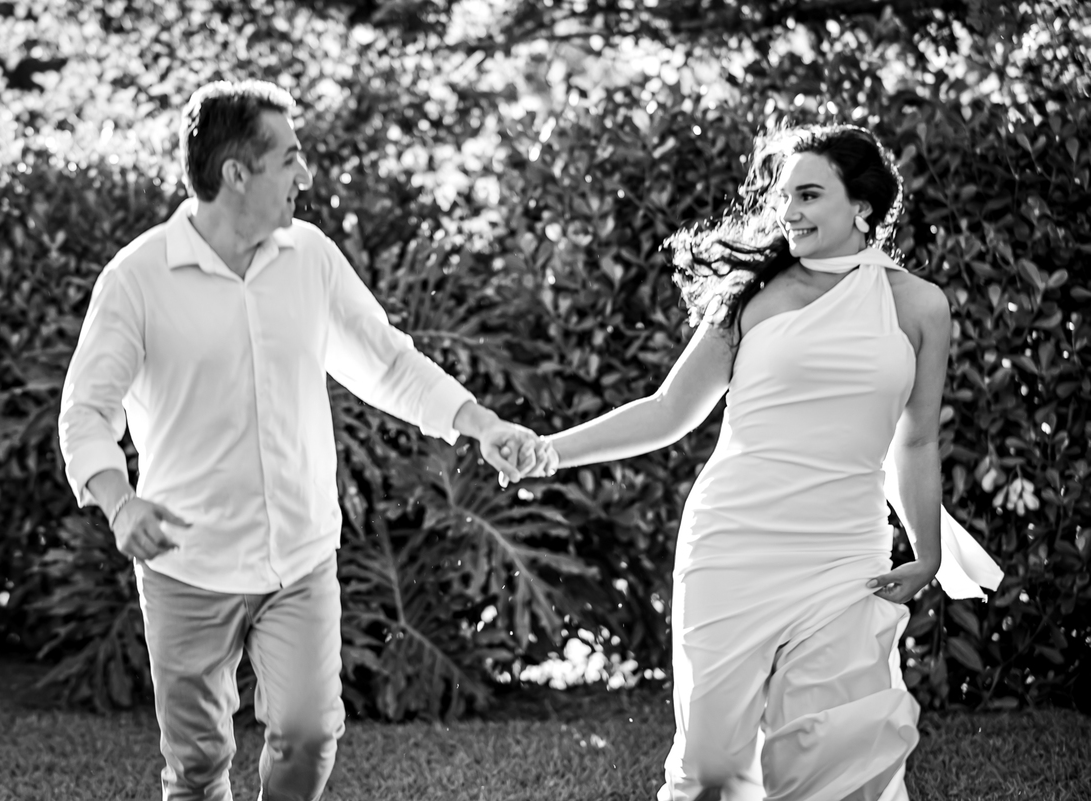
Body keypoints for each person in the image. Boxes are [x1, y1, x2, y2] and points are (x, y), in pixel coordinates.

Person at [58, 79, 543, 801]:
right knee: (196, 767)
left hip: (300, 560)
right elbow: (86, 411)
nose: (306, 176)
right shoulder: (137, 278)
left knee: (310, 733)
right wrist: (120, 503)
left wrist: (480, 423)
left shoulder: (309, 257)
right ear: (236, 173)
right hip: (187, 565)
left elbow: (386, 362)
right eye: (289, 158)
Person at [512, 123, 1002, 800]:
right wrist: (549, 451)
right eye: (782, 197)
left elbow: (915, 442)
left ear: (861, 205)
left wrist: (927, 554)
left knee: (835, 764)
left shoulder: (921, 307)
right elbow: (668, 409)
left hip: (843, 558)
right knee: (711, 769)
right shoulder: (748, 299)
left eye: (809, 194)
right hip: (731, 547)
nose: (788, 211)